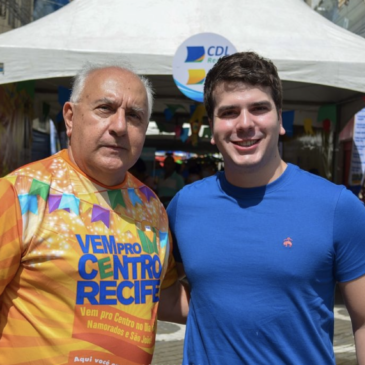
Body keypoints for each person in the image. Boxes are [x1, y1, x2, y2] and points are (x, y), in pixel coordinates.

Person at [167, 52, 365, 364]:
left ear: (280, 118)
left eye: (259, 108)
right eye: (229, 112)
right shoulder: (184, 206)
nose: (245, 124)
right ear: (212, 126)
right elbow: (170, 295)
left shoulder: (338, 207)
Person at [0, 63, 188, 365]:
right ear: (71, 117)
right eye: (105, 108)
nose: (119, 126)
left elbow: (163, 297)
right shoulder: (20, 195)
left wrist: (250, 304)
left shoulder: (152, 207)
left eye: (134, 116)